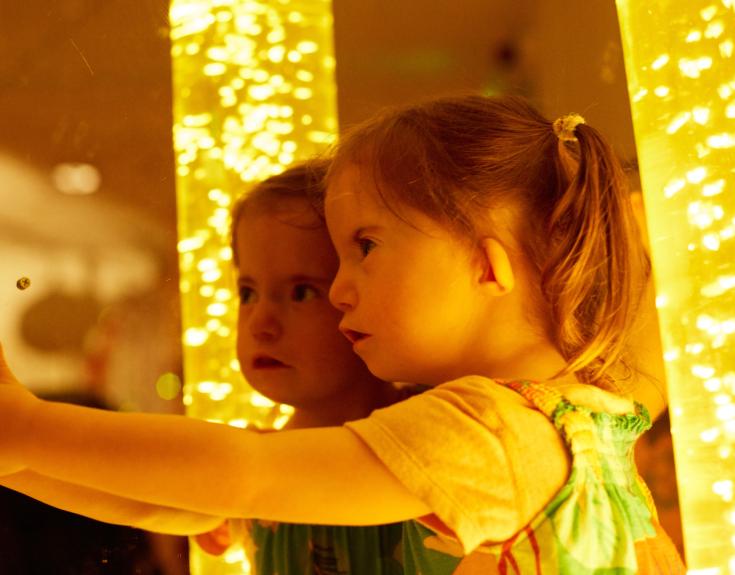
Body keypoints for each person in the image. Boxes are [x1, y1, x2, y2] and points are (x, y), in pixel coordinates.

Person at [0, 94, 684, 573]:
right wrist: (21, 451)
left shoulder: (491, 432)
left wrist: (28, 428)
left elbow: (242, 475)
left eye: (365, 246)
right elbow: (162, 495)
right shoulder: (587, 412)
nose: (338, 289)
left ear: (485, 264)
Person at [194, 160, 406, 573]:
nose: (260, 324)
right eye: (248, 292)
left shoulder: (426, 435)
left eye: (302, 292)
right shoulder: (244, 461)